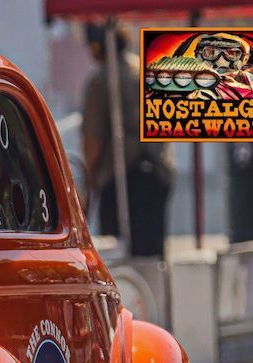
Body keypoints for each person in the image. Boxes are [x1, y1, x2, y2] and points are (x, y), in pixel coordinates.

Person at [82, 22, 174, 258]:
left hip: (120, 175)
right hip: (157, 172)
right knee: (153, 253)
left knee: (120, 254)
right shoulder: (147, 71)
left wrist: (90, 180)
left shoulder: (100, 81)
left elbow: (93, 140)